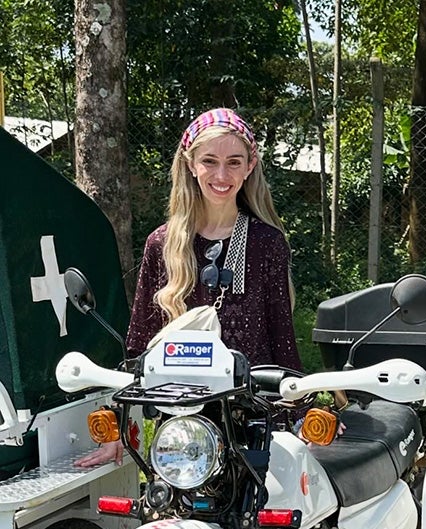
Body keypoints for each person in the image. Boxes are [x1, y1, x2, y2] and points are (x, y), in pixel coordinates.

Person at [76, 107, 302, 468]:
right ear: (189, 163)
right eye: (209, 161)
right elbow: (138, 348)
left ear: (250, 166)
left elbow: (283, 343)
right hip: (181, 430)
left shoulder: (266, 243)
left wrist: (300, 418)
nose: (221, 175)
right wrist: (120, 428)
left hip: (253, 423)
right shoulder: (160, 244)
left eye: (234, 162)